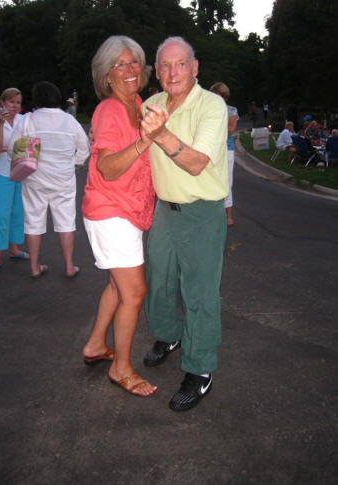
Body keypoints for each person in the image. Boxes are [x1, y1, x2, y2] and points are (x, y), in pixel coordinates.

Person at [140, 37, 228, 411]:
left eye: (180, 64)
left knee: (199, 294)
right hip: (163, 209)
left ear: (195, 68)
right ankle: (169, 336)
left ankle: (200, 368)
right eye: (164, 65)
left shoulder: (212, 105)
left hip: (202, 211)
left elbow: (195, 163)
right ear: (156, 71)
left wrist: (160, 133)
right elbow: (139, 152)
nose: (172, 72)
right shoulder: (150, 105)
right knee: (158, 283)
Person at [81, 36, 157, 397]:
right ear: (106, 74)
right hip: (112, 210)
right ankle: (121, 368)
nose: (129, 70)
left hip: (128, 209)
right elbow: (108, 167)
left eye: (134, 62)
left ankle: (97, 345)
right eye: (120, 64)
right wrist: (143, 141)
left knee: (117, 285)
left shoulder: (138, 104)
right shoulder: (111, 110)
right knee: (135, 291)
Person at [8, 81, 90, 278]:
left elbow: (13, 149)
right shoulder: (69, 121)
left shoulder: (28, 120)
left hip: (35, 179)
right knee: (66, 222)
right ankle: (70, 266)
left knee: (33, 222)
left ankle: (35, 267)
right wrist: (74, 164)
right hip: (63, 179)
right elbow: (85, 148)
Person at [0, 88, 28, 275]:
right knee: (2, 214)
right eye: (11, 102)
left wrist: (7, 148)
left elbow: (29, 144)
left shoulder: (23, 119)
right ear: (2, 103)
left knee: (18, 213)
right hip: (2, 174)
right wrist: (1, 124)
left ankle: (14, 249)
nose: (15, 106)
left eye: (18, 102)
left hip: (21, 172)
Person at [210, 82, 239, 226]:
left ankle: (228, 214)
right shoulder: (207, 110)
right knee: (210, 181)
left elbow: (231, 128)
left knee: (227, 182)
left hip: (226, 150)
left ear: (224, 96)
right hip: (211, 149)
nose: (214, 98)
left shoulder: (231, 110)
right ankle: (213, 213)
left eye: (217, 95)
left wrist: (212, 128)